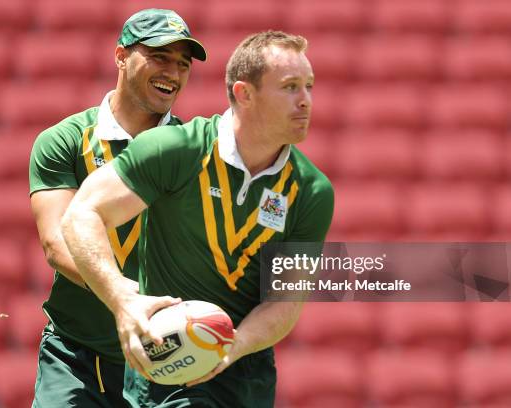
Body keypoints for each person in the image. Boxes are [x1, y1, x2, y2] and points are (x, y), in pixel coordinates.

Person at [61, 30, 334, 407]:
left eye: (309, 86)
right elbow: (82, 214)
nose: (306, 101)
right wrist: (122, 301)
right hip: (166, 369)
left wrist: (234, 345)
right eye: (290, 87)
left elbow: (285, 302)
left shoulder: (312, 191)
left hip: (245, 378)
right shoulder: (177, 150)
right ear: (244, 94)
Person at [28, 8, 206, 408]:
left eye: (183, 64)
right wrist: (126, 299)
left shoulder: (195, 149)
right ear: (121, 57)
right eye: (160, 57)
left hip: (169, 357)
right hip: (77, 356)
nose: (173, 73)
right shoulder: (65, 141)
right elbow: (57, 244)